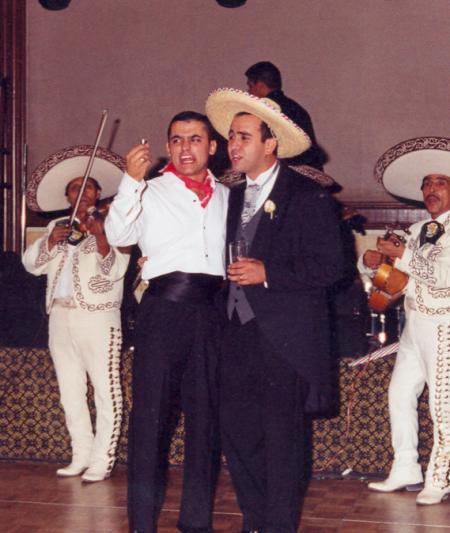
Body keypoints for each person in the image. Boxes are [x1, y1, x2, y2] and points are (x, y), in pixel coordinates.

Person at [205, 89, 344, 533]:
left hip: (283, 340)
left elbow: (332, 266)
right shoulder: (225, 197)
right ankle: (255, 522)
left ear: (271, 144)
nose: (234, 145)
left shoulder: (308, 195)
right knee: (238, 436)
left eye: (244, 136)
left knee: (283, 444)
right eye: (230, 136)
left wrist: (269, 273)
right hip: (234, 335)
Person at [105, 111, 229, 533]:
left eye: (195, 139)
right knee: (151, 422)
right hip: (164, 311)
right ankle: (142, 524)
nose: (185, 147)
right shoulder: (149, 190)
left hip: (213, 314)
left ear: (213, 147)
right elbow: (120, 236)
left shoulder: (230, 196)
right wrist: (130, 181)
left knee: (205, 421)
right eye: (176, 139)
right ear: (167, 146)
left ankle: (196, 522)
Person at [22, 145, 129, 482]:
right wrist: (50, 243)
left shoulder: (114, 222)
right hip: (61, 317)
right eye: (74, 188)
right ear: (68, 196)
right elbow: (31, 265)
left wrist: (100, 238)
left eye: (89, 187)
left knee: (105, 389)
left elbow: (115, 269)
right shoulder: (58, 225)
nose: (82, 193)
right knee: (70, 391)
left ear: (98, 193)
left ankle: (102, 458)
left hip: (98, 318)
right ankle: (80, 453)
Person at [360, 137, 450, 505]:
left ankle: (441, 476)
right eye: (426, 184)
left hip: (445, 326)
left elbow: (443, 274)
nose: (431, 190)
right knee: (399, 394)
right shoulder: (415, 232)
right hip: (414, 325)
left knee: (442, 405)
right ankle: (406, 466)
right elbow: (394, 285)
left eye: (440, 183)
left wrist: (405, 254)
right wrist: (374, 268)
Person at [245, 60, 327, 170]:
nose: (249, 91)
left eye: (250, 86)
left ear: (260, 86)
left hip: (287, 177)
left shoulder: (263, 111)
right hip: (311, 177)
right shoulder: (297, 109)